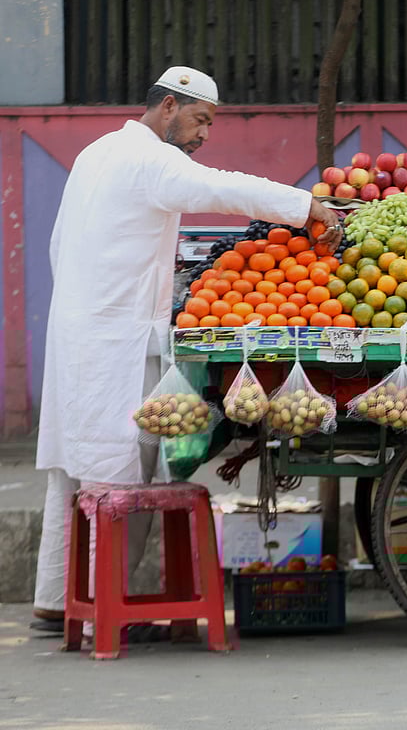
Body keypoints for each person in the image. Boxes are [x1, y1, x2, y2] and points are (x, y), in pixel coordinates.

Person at [30, 66, 344, 637]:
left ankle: (55, 602)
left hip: (77, 332)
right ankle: (109, 609)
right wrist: (306, 207)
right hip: (116, 342)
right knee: (119, 474)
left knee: (69, 476)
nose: (204, 134)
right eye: (200, 120)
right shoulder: (153, 160)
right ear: (169, 107)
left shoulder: (97, 152)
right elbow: (222, 187)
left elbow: (61, 244)